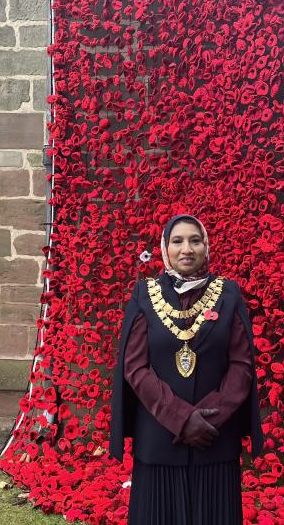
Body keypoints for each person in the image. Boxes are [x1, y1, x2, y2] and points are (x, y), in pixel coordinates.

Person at [110, 214, 263, 525]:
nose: (187, 249)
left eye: (195, 240)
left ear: (206, 247)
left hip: (214, 437)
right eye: (177, 241)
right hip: (159, 439)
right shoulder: (145, 293)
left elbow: (242, 364)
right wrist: (181, 418)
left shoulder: (228, 293)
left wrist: (208, 418)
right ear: (165, 248)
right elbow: (135, 366)